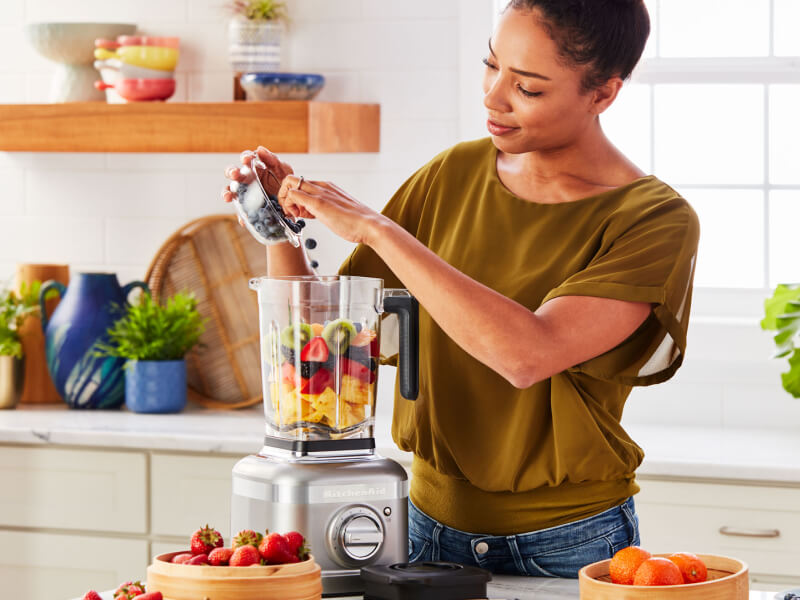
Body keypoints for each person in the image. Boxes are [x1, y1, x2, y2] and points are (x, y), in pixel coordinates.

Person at [222, 0, 699, 578]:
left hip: (568, 542)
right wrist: (277, 223)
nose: (493, 97)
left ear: (603, 93)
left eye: (527, 86)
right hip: (420, 524)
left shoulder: (652, 219)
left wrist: (377, 228)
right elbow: (327, 337)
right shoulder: (452, 174)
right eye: (491, 65)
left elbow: (528, 354)